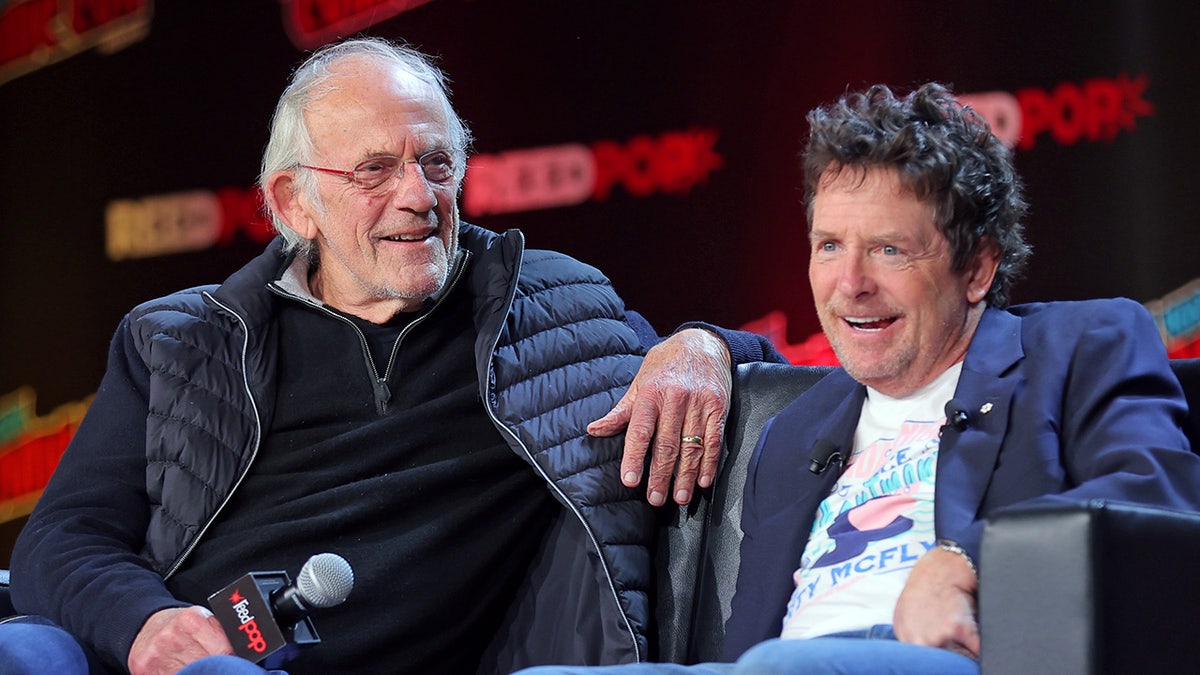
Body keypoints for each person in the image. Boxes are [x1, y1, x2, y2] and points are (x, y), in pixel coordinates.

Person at [0, 38, 785, 675]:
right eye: (375, 170)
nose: (419, 194)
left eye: (437, 163)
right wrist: (147, 624)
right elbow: (62, 536)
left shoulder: (548, 308)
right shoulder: (177, 338)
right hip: (181, 651)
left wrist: (704, 343)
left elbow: (769, 376)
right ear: (292, 203)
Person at [517, 83, 1200, 675]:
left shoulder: (1079, 345)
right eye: (829, 246)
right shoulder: (794, 432)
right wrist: (700, 342)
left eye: (888, 249)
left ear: (978, 268)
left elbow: (1156, 493)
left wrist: (963, 560)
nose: (850, 285)